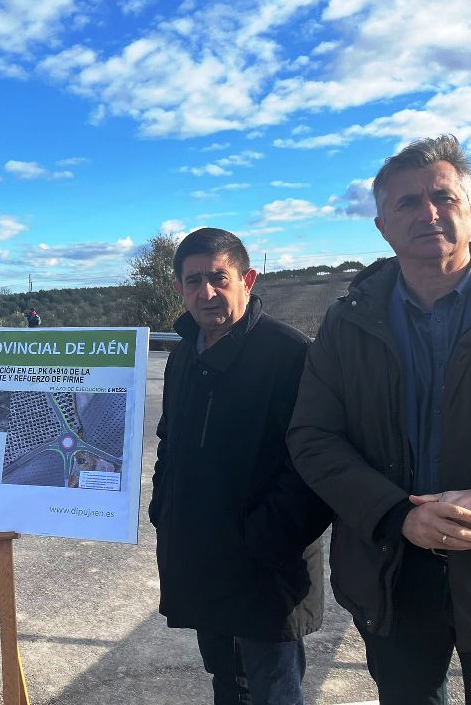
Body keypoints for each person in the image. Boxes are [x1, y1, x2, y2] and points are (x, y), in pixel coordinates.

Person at [288, 135, 471, 704]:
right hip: (393, 569)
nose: (428, 212)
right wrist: (391, 514)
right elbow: (312, 437)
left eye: (443, 196)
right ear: (382, 225)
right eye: (407, 203)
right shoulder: (347, 321)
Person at [149, 228, 330, 705]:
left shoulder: (289, 354)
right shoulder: (184, 354)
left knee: (273, 687)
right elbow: (170, 438)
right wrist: (162, 505)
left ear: (247, 279)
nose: (206, 293)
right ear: (179, 288)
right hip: (203, 557)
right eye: (193, 281)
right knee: (226, 682)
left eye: (218, 278)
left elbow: (313, 460)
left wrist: (263, 535)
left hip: (268, 564)